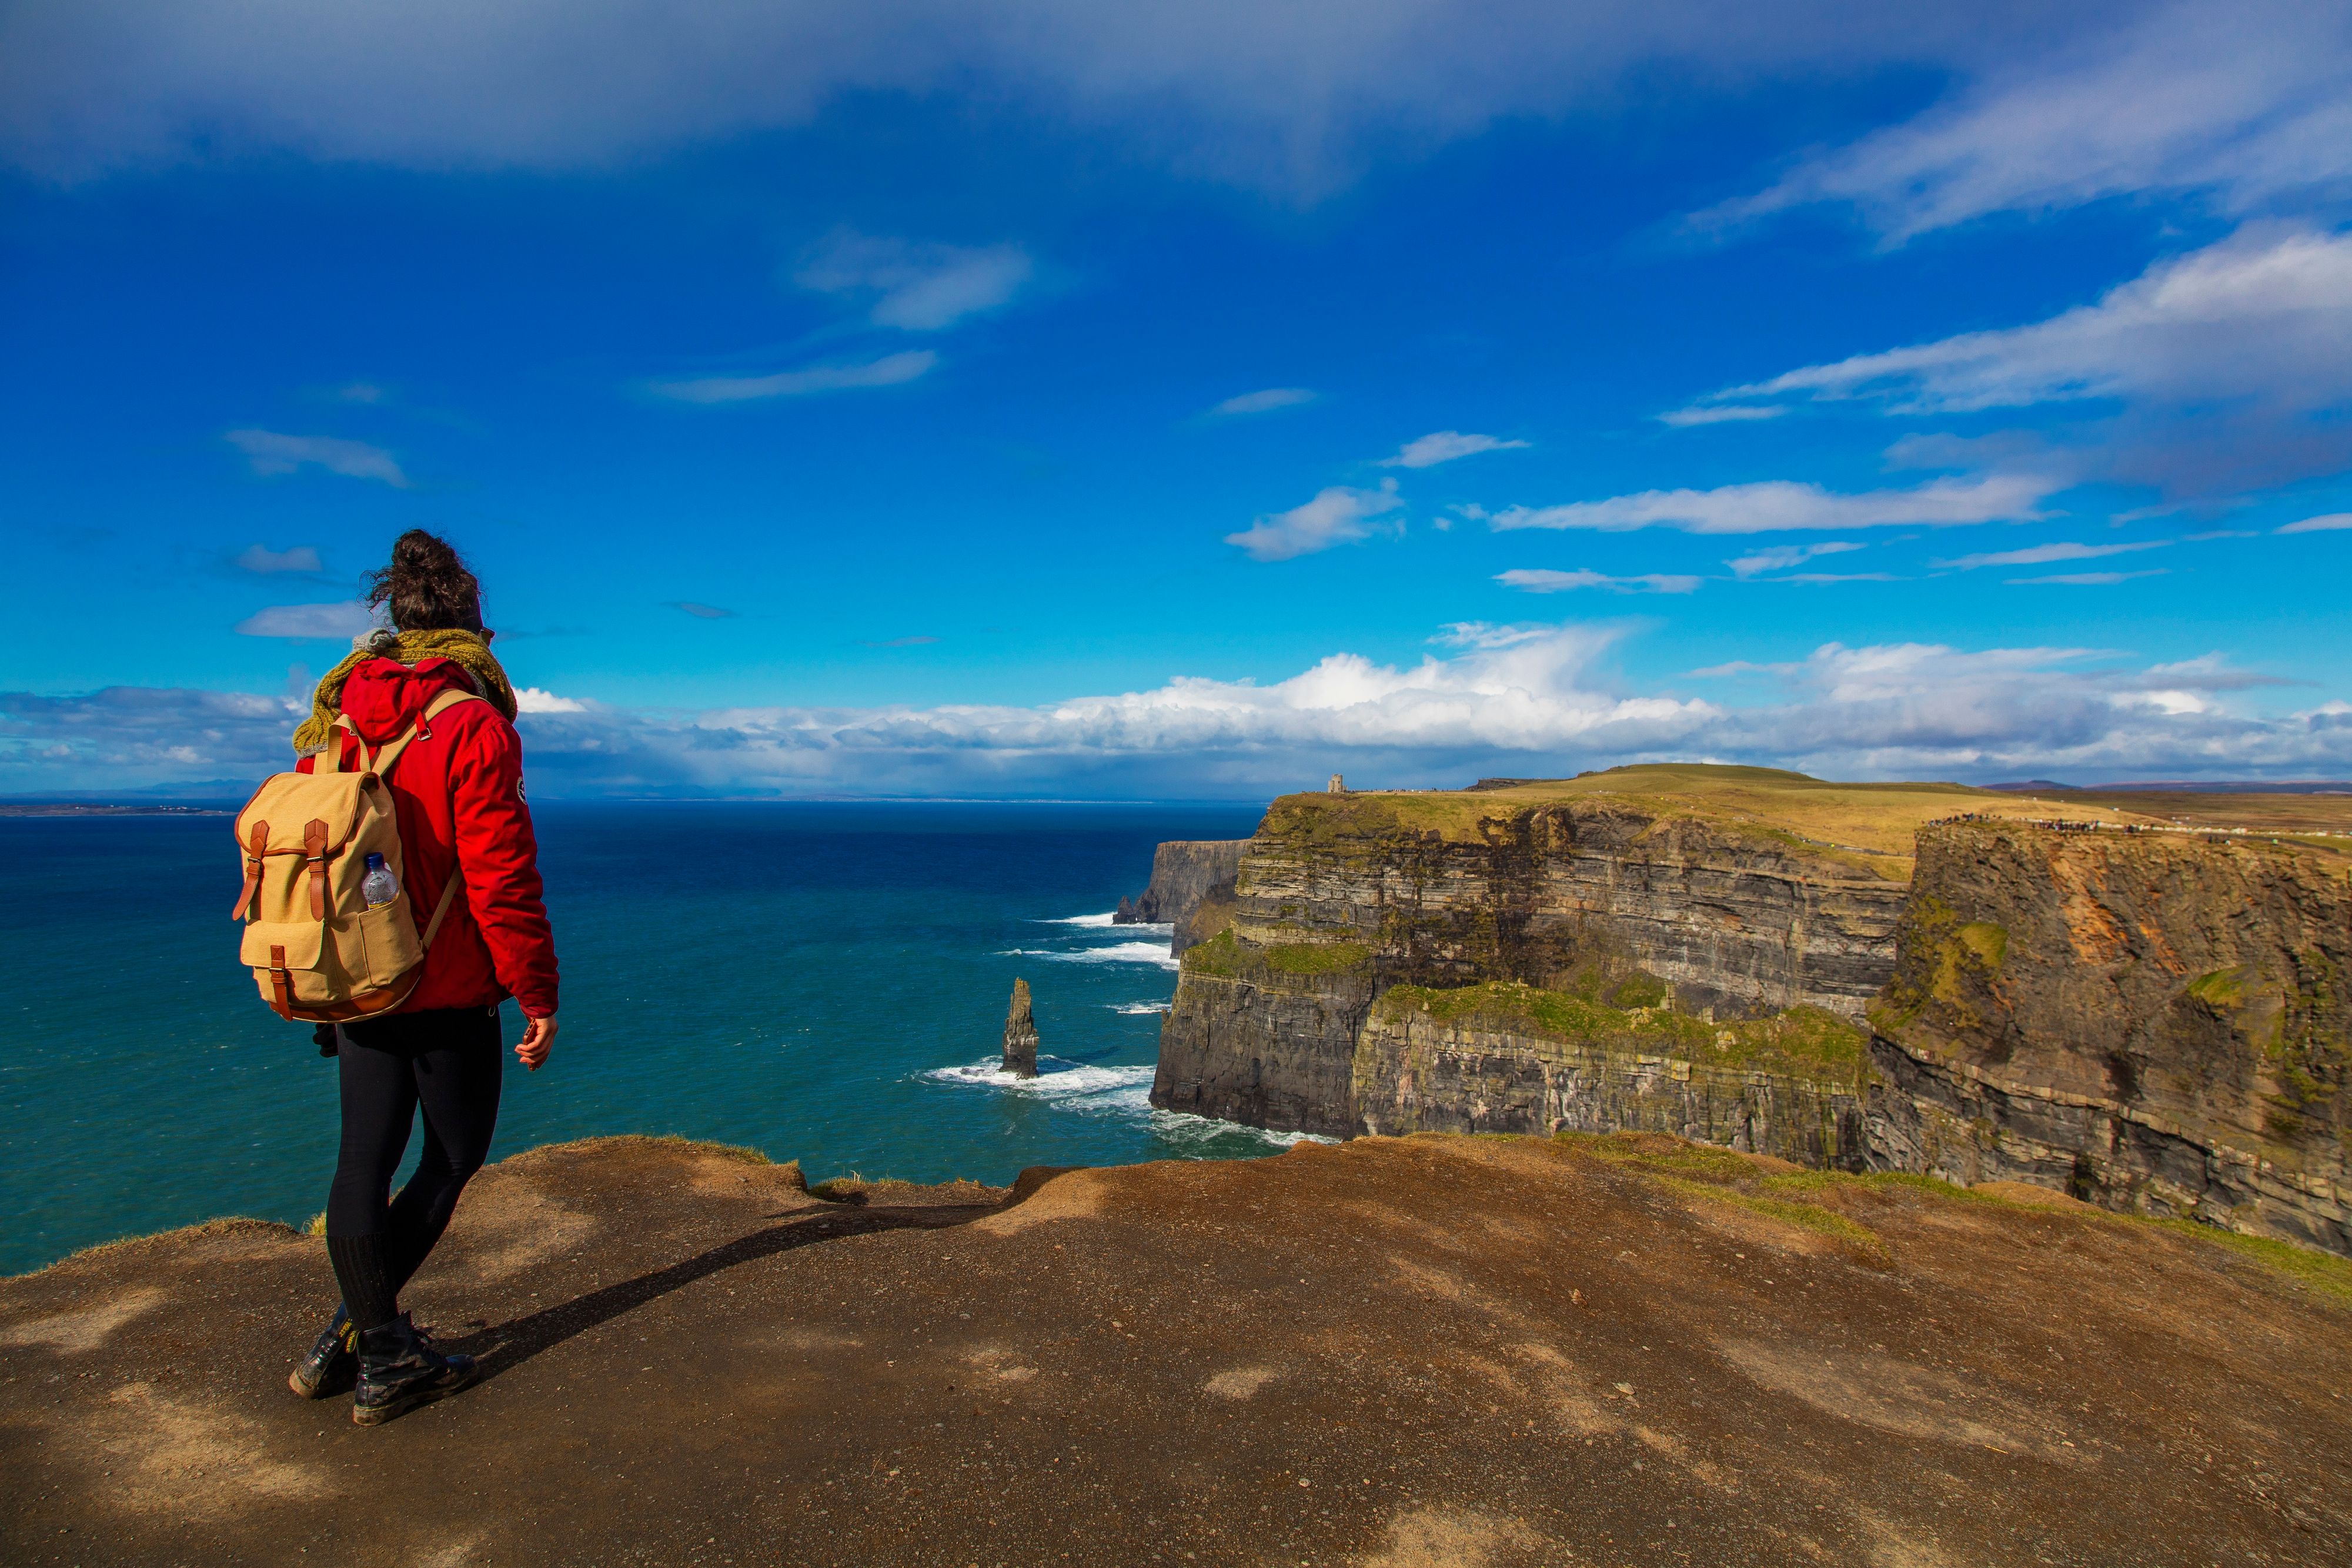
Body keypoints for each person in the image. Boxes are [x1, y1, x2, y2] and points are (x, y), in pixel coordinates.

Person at [283, 529, 561, 1425]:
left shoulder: (338, 717)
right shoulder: (472, 722)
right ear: (474, 631)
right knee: (452, 1156)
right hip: (442, 986)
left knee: (361, 1159)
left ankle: (364, 1332)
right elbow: (501, 876)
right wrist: (538, 994)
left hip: (355, 975)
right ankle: (381, 1350)